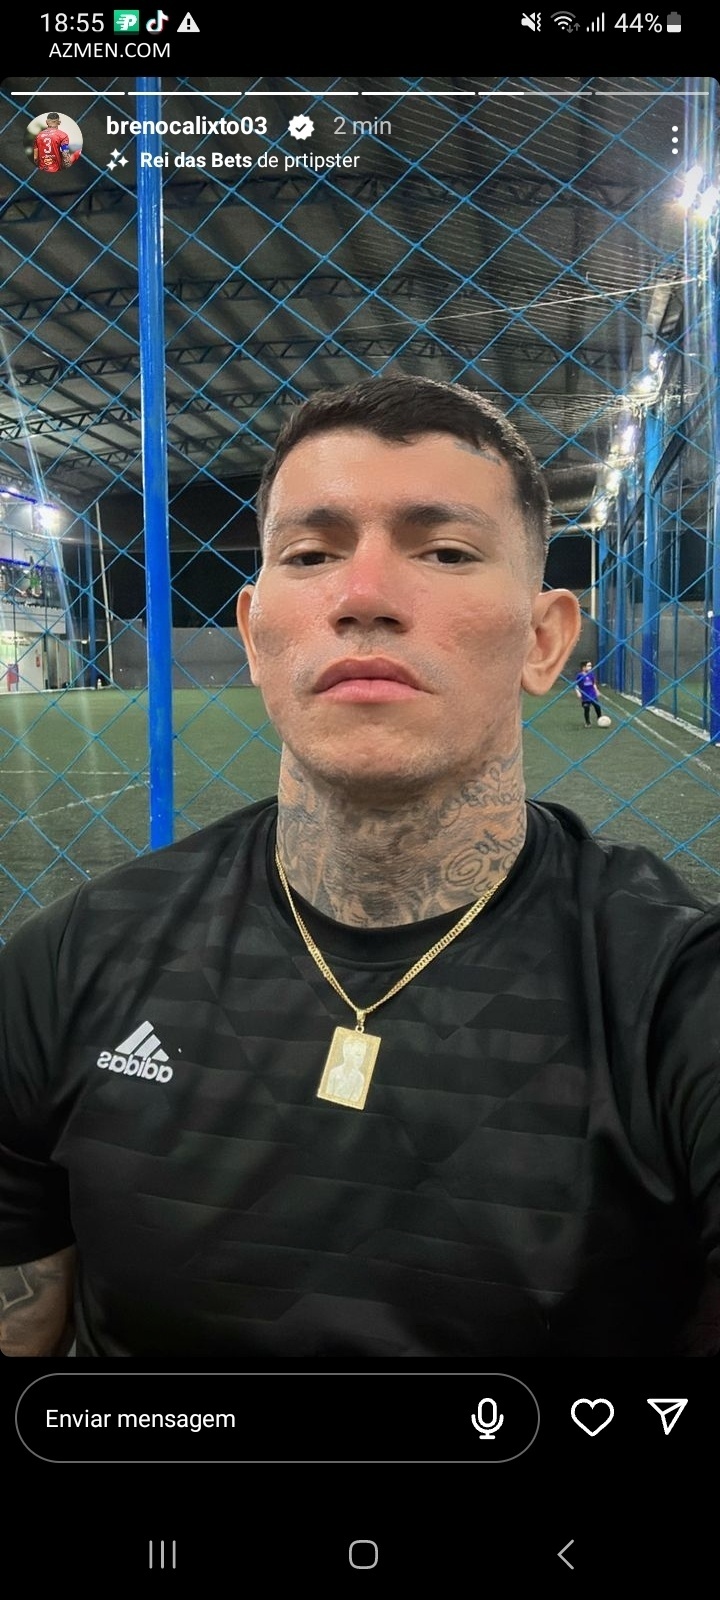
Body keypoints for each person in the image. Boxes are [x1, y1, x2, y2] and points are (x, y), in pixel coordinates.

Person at [1, 372, 720, 1360]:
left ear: (545, 638)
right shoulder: (69, 965)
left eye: (445, 550)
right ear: (255, 636)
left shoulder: (675, 998)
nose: (364, 597)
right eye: (311, 554)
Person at [575, 659, 604, 725]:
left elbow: (593, 684)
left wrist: (597, 691)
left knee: (597, 707)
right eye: (588, 666)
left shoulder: (591, 675)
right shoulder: (580, 676)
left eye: (590, 666)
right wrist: (578, 692)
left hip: (593, 695)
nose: (590, 667)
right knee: (586, 708)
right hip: (585, 696)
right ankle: (588, 722)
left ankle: (600, 719)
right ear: (583, 667)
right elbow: (576, 685)